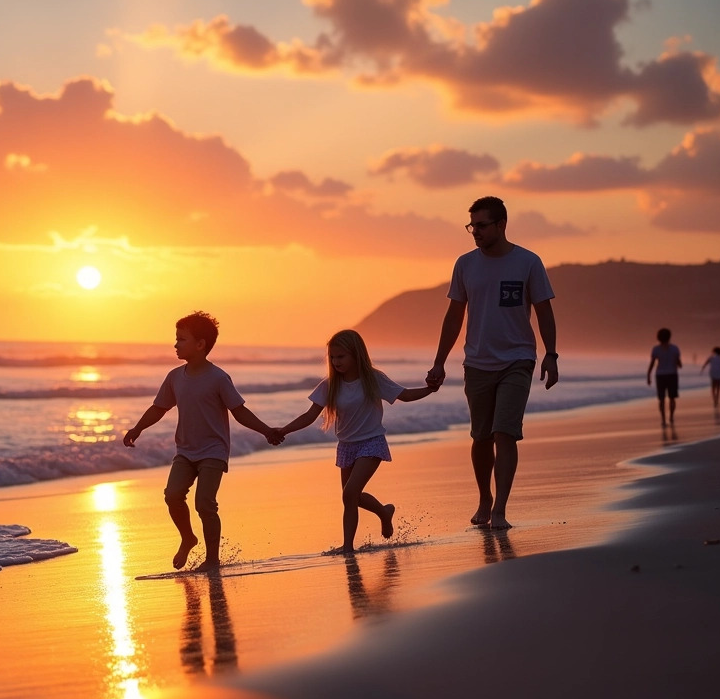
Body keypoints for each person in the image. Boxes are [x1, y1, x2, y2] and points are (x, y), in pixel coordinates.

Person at [426, 196, 558, 531]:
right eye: (471, 226)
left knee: (505, 433)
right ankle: (484, 497)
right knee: (481, 436)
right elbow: (454, 315)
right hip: (478, 362)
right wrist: (439, 362)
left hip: (518, 359)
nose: (475, 232)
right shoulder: (465, 264)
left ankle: (500, 508)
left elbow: (544, 311)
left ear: (501, 225)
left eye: (482, 225)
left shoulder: (528, 262)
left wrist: (551, 355)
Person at [123, 311, 282, 573]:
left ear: (200, 344)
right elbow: (158, 408)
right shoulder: (175, 377)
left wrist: (266, 431)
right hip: (185, 451)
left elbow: (239, 411)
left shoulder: (218, 378)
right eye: (176, 339)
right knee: (173, 495)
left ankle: (212, 560)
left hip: (213, 451)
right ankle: (188, 537)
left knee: (204, 504)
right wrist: (137, 428)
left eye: (182, 339)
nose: (175, 344)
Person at [277, 329, 435, 553]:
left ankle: (348, 547)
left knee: (349, 493)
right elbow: (309, 415)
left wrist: (431, 388)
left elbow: (404, 395)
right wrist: (283, 430)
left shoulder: (373, 379)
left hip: (371, 441)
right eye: (332, 357)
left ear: (355, 354)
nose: (336, 361)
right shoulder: (329, 385)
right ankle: (383, 512)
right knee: (351, 497)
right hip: (346, 446)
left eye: (341, 356)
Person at [646, 327, 683, 426]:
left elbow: (652, 363)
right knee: (672, 398)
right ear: (669, 337)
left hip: (660, 375)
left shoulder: (656, 349)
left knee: (661, 398)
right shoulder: (675, 348)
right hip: (672, 374)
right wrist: (676, 363)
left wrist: (648, 375)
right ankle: (671, 416)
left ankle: (663, 419)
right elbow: (679, 364)